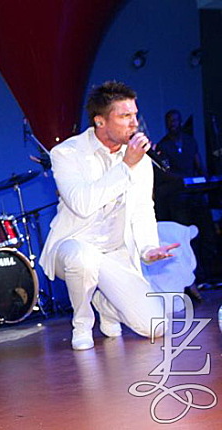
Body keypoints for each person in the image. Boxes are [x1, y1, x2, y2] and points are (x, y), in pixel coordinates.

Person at [39, 81, 179, 351]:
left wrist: (148, 248)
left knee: (156, 326)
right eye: (125, 116)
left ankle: (104, 301)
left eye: (135, 115)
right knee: (83, 258)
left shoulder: (139, 159)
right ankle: (82, 323)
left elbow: (142, 208)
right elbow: (82, 204)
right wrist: (126, 166)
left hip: (115, 253)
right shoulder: (66, 153)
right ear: (100, 121)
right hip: (73, 246)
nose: (134, 123)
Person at [153, 109, 217, 290]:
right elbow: (164, 171)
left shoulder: (190, 141)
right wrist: (182, 180)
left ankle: (209, 275)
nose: (173, 124)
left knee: (206, 233)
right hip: (178, 199)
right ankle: (193, 278)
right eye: (169, 121)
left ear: (180, 122)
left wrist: (204, 179)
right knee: (185, 237)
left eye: (175, 120)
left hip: (196, 196)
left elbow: (199, 163)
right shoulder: (163, 146)